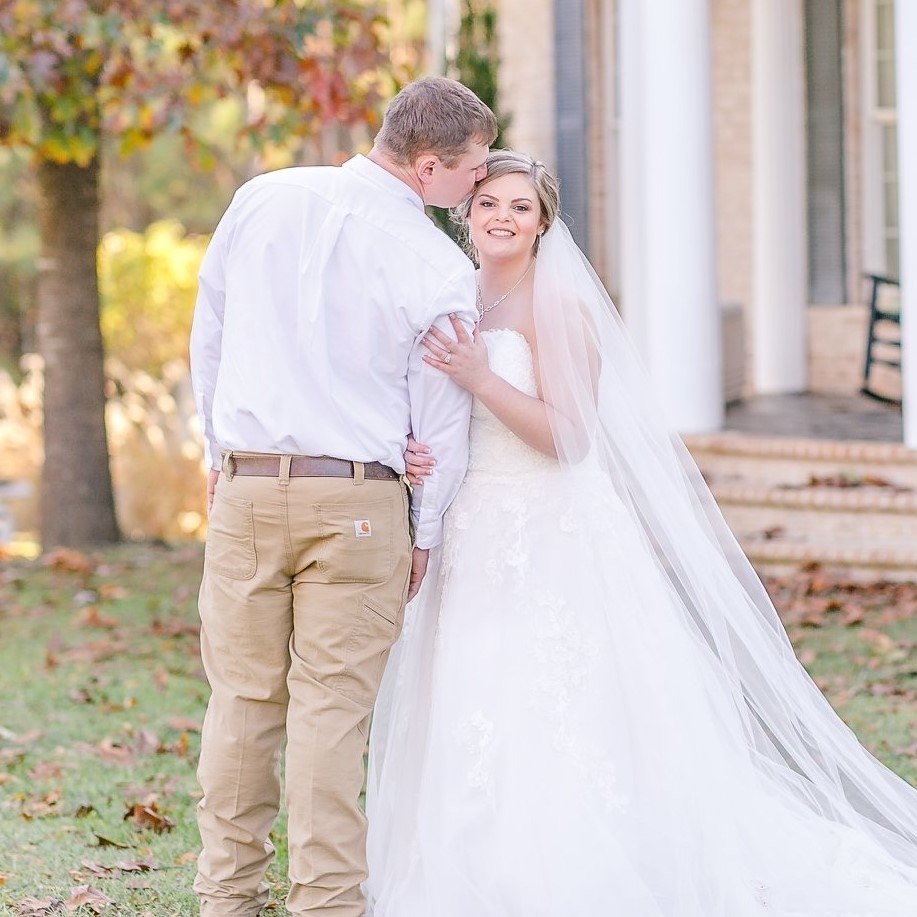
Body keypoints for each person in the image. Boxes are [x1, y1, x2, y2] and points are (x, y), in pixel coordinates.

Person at [364, 151, 917, 915]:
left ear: (543, 224)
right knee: (470, 689)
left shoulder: (558, 308)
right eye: (488, 202)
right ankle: (467, 869)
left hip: (550, 533)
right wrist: (415, 445)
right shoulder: (455, 296)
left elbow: (570, 438)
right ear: (465, 212)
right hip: (472, 528)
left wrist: (480, 378)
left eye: (520, 207)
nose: (501, 217)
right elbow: (440, 407)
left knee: (550, 697)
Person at [188, 77, 497, 917]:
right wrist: (425, 531)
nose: (477, 181)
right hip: (358, 505)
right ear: (427, 166)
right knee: (331, 711)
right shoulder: (436, 262)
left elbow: (209, 333)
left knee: (241, 698)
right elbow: (439, 419)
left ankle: (227, 895)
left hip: (248, 485)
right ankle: (325, 903)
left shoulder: (262, 197)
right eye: (471, 168)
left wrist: (218, 452)